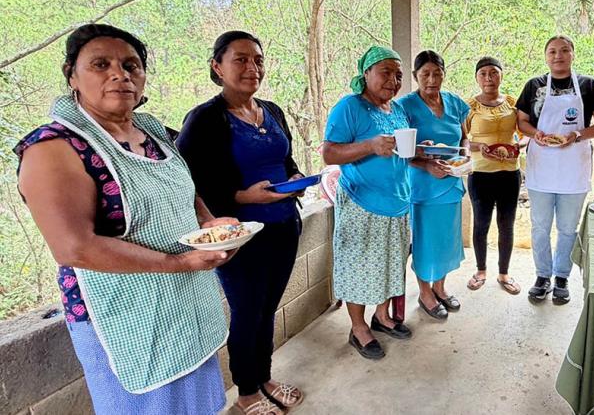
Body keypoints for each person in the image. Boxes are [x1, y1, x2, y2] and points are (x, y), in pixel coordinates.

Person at [14, 24, 235, 414]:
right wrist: (180, 262)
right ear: (72, 74)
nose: (120, 74)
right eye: (101, 64)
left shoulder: (152, 132)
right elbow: (74, 248)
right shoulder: (54, 147)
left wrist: (207, 224)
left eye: (131, 65)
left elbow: (184, 186)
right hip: (123, 317)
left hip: (185, 305)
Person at [177, 31, 304, 415]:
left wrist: (297, 182)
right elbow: (187, 180)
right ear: (217, 66)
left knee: (267, 308)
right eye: (241, 59)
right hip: (240, 236)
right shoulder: (204, 119)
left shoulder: (273, 110)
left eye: (258, 60)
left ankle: (264, 378)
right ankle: (247, 393)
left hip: (284, 226)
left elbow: (287, 159)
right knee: (247, 311)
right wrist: (244, 196)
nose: (253, 68)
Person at [321, 46, 413, 360]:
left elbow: (400, 150)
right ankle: (358, 328)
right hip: (362, 203)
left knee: (390, 265)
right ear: (366, 74)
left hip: (398, 201)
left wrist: (419, 151)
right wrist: (371, 145)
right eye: (386, 72)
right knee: (359, 268)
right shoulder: (350, 107)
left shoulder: (397, 109)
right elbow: (330, 153)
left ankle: (382, 316)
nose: (393, 80)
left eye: (398, 74)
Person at [517, 35, 594, 304]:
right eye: (552, 51)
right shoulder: (534, 85)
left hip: (574, 167)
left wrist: (577, 134)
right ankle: (542, 275)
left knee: (568, 228)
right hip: (541, 167)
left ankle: (561, 276)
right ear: (546, 56)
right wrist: (537, 134)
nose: (558, 55)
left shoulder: (589, 85)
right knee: (540, 227)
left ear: (572, 53)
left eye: (564, 50)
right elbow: (521, 122)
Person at [398, 50, 470, 320]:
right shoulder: (405, 106)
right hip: (423, 186)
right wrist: (426, 165)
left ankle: (440, 287)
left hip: (451, 181)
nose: (432, 80)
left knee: (447, 241)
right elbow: (401, 152)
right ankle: (425, 292)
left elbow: (464, 137)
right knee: (426, 243)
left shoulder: (454, 102)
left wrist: (465, 155)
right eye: (425, 74)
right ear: (416, 76)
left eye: (437, 73)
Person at [465, 56, 523, 295]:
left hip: (510, 172)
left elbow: (525, 132)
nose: (489, 78)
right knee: (481, 223)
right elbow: (462, 141)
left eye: (494, 73)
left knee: (506, 224)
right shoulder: (469, 107)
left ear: (501, 75)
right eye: (483, 74)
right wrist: (480, 148)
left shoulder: (512, 103)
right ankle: (480, 270)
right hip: (481, 173)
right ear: (477, 78)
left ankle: (504, 273)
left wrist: (522, 145)